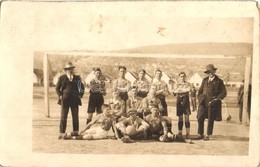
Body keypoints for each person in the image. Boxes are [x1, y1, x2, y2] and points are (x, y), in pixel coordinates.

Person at [197, 64, 227, 140]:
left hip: (212, 103)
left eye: (211, 71)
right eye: (208, 72)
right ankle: (200, 134)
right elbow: (200, 90)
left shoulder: (219, 81)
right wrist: (199, 97)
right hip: (203, 102)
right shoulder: (204, 80)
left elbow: (224, 93)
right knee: (200, 117)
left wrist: (217, 99)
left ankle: (208, 135)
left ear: (214, 71)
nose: (210, 73)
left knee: (210, 119)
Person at [56, 62, 85, 139]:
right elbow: (57, 88)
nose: (70, 70)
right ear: (66, 70)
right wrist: (60, 96)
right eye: (68, 69)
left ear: (73, 69)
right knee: (63, 116)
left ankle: (76, 132)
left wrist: (80, 95)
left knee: (75, 117)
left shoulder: (77, 78)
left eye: (71, 69)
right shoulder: (62, 78)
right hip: (65, 100)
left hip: (75, 100)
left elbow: (82, 87)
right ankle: (62, 133)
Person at [172, 72, 191, 139]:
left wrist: (179, 90)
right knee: (180, 118)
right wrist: (183, 90)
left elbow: (188, 90)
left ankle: (188, 133)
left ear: (185, 77)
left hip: (186, 101)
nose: (182, 78)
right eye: (181, 76)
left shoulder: (188, 83)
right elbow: (174, 91)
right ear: (179, 77)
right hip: (179, 101)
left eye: (183, 76)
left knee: (187, 118)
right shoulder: (176, 84)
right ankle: (180, 132)